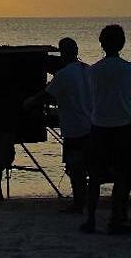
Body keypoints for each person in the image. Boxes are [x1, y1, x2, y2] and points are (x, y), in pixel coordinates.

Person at [81, 24, 131, 234]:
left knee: (95, 177)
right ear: (122, 43)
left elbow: (93, 95)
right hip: (124, 128)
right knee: (122, 176)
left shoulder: (92, 71)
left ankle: (90, 220)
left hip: (98, 126)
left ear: (101, 43)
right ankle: (117, 218)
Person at [24, 37, 91, 212]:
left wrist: (29, 101)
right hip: (92, 126)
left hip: (74, 128)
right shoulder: (89, 70)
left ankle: (78, 203)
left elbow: (46, 95)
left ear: (63, 54)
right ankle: (85, 199)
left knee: (75, 167)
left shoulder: (64, 74)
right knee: (87, 166)